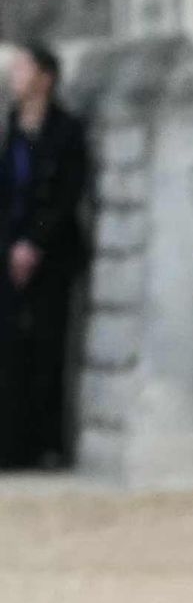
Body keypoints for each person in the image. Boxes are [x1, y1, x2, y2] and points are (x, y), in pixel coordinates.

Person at [2, 40, 90, 471]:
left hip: (52, 254)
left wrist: (34, 243)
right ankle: (12, 444)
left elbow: (63, 196)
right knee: (11, 349)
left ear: (45, 78)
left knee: (50, 348)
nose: (15, 77)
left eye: (22, 69)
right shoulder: (11, 127)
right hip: (9, 252)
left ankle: (49, 444)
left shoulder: (67, 130)